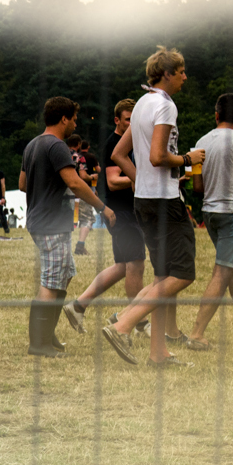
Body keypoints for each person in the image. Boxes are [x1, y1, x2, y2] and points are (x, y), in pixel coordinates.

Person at [104, 46, 204, 367]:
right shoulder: (163, 106)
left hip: (143, 201)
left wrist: (139, 179)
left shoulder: (142, 104)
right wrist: (189, 159)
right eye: (181, 72)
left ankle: (158, 354)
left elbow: (119, 154)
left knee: (162, 276)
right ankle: (123, 324)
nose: (185, 77)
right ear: (166, 74)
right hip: (164, 202)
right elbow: (159, 156)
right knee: (183, 273)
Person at [20, 96, 116, 358]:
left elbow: (22, 185)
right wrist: (102, 207)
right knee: (51, 283)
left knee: (65, 273)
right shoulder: (57, 146)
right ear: (63, 118)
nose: (75, 123)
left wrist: (46, 186)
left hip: (40, 221)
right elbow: (74, 183)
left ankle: (47, 334)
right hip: (51, 224)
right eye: (74, 118)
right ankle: (38, 343)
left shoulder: (32, 145)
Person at [62, 99, 150, 337]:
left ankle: (78, 306)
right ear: (117, 120)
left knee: (122, 267)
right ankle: (136, 322)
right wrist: (141, 178)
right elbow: (112, 181)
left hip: (126, 213)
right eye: (129, 119)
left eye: (135, 118)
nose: (133, 123)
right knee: (136, 265)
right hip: (121, 214)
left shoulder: (134, 143)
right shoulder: (114, 144)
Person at [184, 93, 233, 349]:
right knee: (222, 272)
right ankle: (196, 333)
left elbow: (197, 186)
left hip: (211, 213)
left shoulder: (201, 142)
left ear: (216, 115)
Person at [67, 134, 97, 255]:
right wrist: (92, 178)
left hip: (62, 193)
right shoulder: (79, 157)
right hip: (79, 192)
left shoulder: (59, 153)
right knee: (86, 219)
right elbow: (83, 176)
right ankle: (80, 246)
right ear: (78, 144)